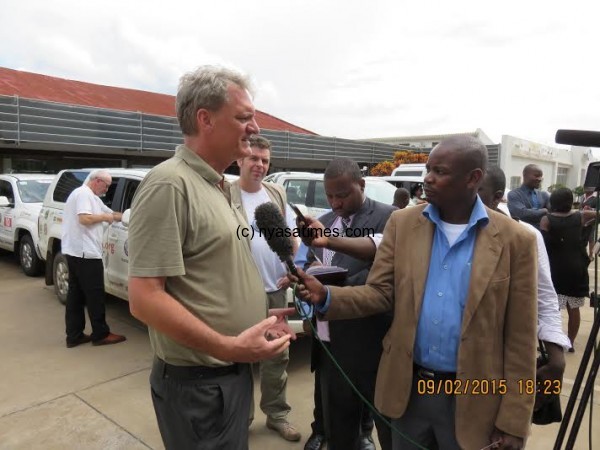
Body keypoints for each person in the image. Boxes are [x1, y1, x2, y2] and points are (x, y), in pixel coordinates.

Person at [292, 136, 539, 450]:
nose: (428, 179)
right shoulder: (403, 224)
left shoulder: (515, 240)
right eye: (428, 169)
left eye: (440, 171)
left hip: (474, 400)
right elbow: (380, 293)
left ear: (473, 178)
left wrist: (514, 423)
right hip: (409, 394)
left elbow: (521, 338)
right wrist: (327, 296)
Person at [127, 66, 292, 450]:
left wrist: (258, 319)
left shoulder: (221, 187)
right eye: (243, 117)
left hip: (229, 375)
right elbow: (145, 298)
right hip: (199, 385)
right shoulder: (170, 184)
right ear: (205, 119)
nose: (254, 127)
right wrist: (227, 347)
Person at [301, 158, 396, 450]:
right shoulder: (326, 221)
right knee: (338, 420)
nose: (336, 202)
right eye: (330, 196)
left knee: (387, 422)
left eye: (342, 195)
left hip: (370, 339)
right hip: (330, 339)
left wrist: (331, 291)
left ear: (361, 185)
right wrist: (304, 279)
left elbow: (384, 273)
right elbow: (310, 261)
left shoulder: (390, 218)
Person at [478, 166, 569, 409]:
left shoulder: (525, 235)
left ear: (497, 197)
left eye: (477, 190)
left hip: (505, 358)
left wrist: (556, 355)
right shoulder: (441, 227)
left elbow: (544, 295)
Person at [230, 135, 301, 442]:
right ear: (240, 160)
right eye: (253, 158)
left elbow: (289, 236)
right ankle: (239, 420)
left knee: (276, 358)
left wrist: (291, 264)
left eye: (264, 160)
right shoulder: (223, 193)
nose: (259, 165)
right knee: (239, 359)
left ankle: (277, 415)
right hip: (239, 292)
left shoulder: (275, 192)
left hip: (274, 290)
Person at [62, 169, 126, 348]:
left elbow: (113, 214)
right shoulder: (83, 194)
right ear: (97, 181)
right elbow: (84, 218)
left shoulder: (91, 197)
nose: (106, 190)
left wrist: (130, 217)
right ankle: (101, 334)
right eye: (105, 186)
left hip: (76, 252)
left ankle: (74, 335)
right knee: (95, 294)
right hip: (85, 253)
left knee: (76, 295)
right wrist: (106, 217)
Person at [540, 187, 596, 353]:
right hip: (576, 266)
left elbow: (543, 243)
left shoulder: (546, 220)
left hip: (555, 268)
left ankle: (553, 343)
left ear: (553, 202)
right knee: (574, 308)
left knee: (552, 308)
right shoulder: (580, 216)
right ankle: (570, 342)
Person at [507, 164, 550, 229]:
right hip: (523, 233)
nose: (540, 179)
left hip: (542, 235)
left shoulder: (544, 195)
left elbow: (552, 213)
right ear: (525, 175)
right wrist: (543, 211)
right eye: (536, 176)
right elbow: (521, 214)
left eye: (541, 176)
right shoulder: (514, 194)